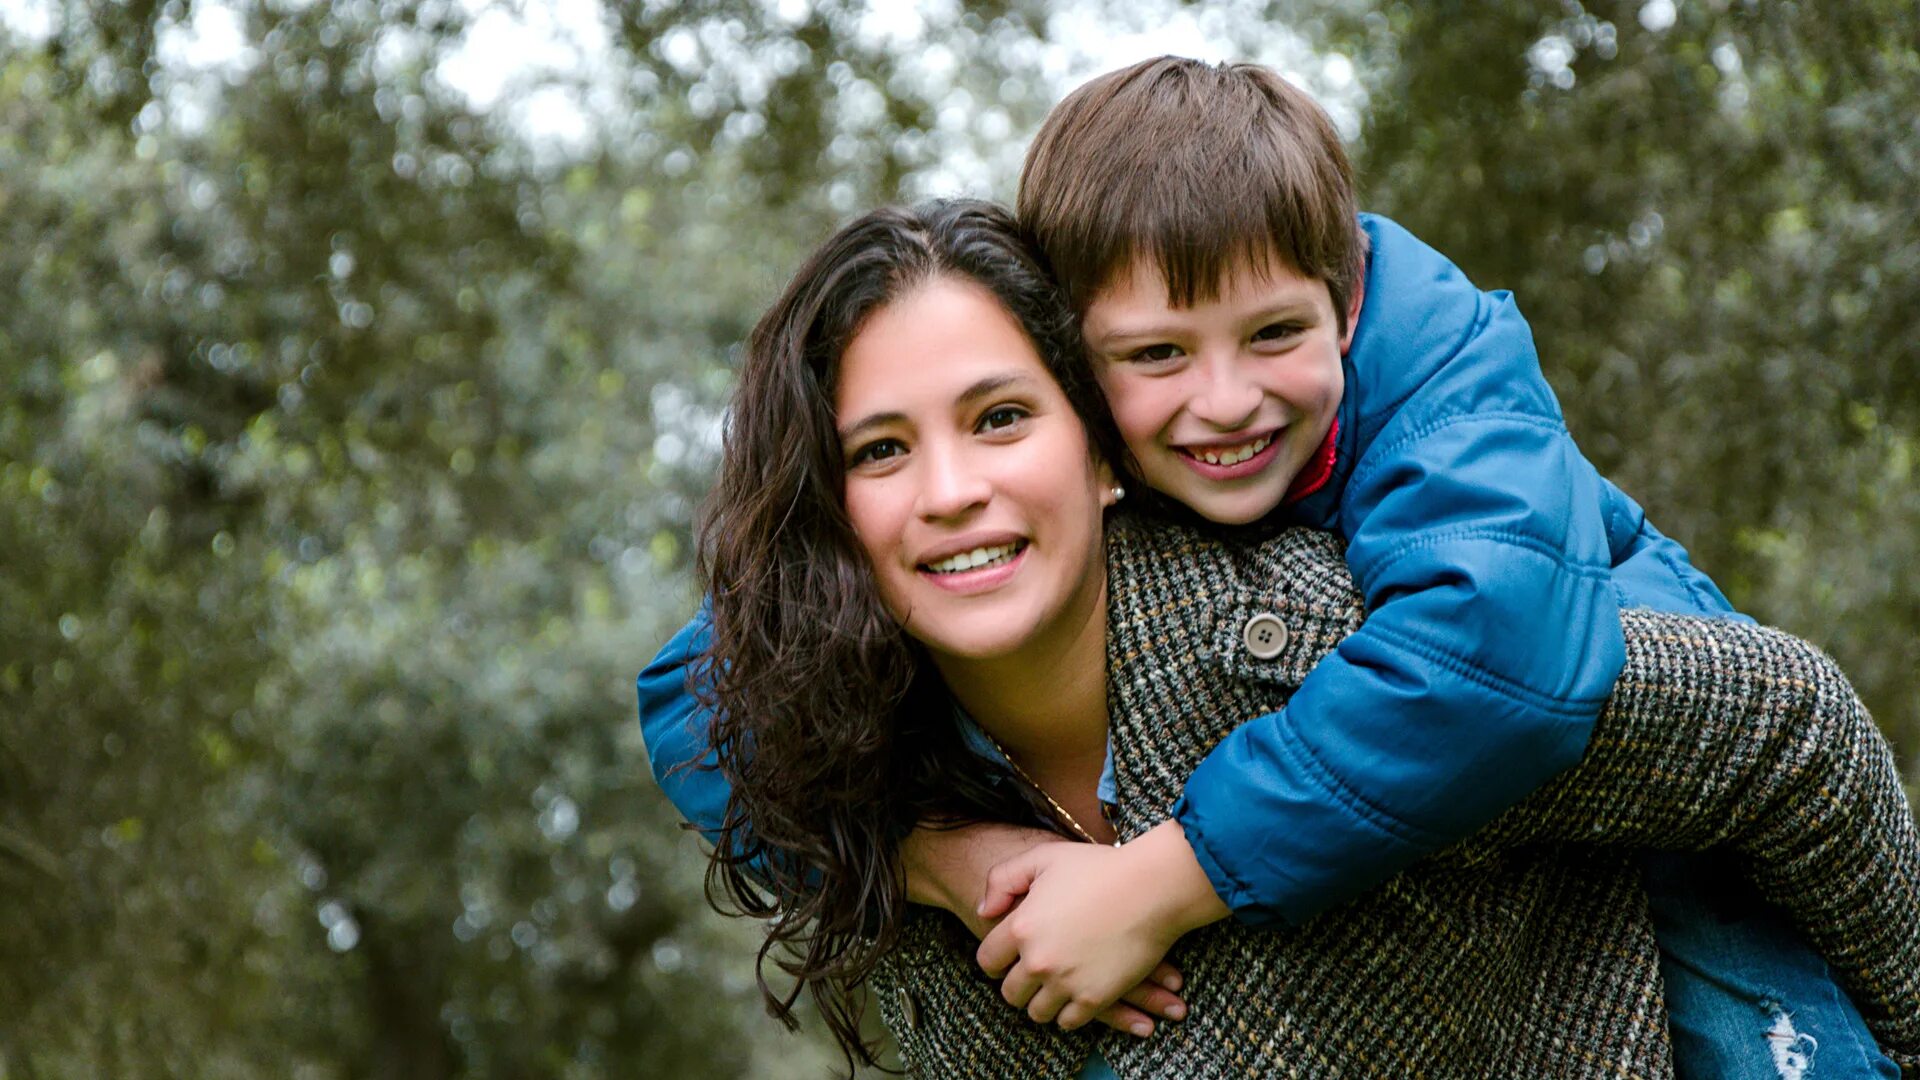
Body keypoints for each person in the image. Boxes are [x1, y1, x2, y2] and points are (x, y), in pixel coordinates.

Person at [646, 57, 1897, 1074]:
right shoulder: (878, 745)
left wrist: (1168, 876)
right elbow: (695, 705)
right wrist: (942, 861)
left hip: (1632, 759)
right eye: (1157, 357)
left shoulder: (1367, 529)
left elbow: (1527, 658)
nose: (1225, 400)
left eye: (1000, 418)